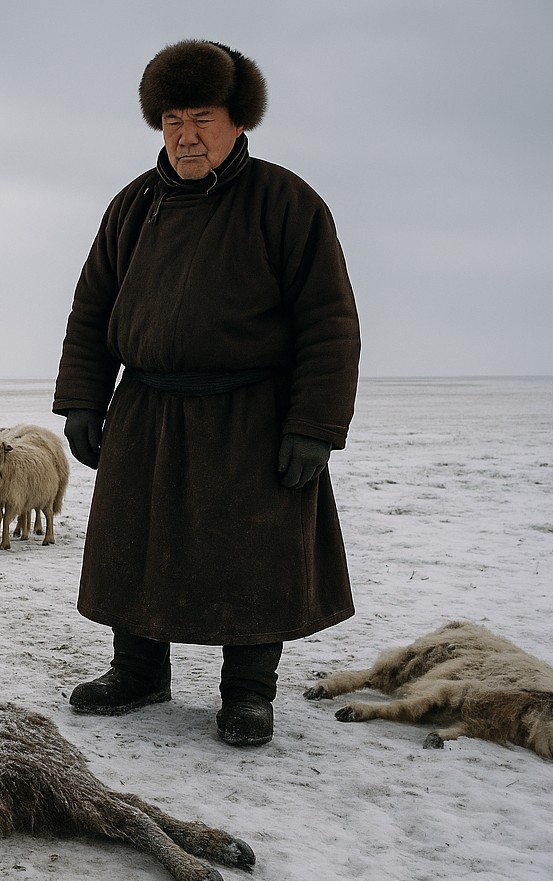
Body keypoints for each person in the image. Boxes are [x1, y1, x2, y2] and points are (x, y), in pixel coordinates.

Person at [53, 39, 361, 747]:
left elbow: (330, 320)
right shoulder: (134, 205)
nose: (186, 136)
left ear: (238, 122)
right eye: (171, 121)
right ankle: (137, 670)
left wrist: (314, 424)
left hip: (249, 412)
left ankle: (248, 692)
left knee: (251, 554)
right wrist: (81, 400)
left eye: (202, 118)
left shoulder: (286, 202)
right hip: (147, 405)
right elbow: (92, 310)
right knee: (136, 543)